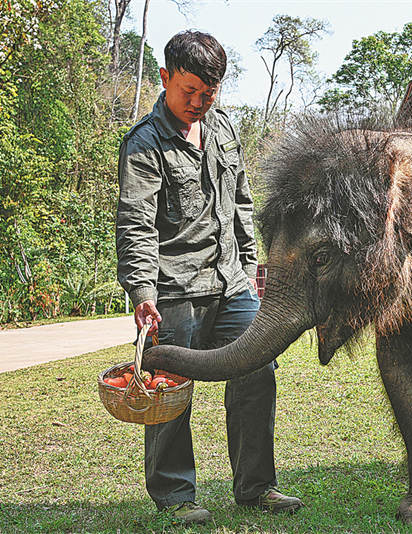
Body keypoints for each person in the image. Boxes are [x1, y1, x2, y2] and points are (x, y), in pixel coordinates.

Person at [115, 30, 302, 525]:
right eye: (189, 91)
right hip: (173, 289)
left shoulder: (222, 126)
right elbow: (136, 223)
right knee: (170, 390)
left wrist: (251, 266)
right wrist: (142, 291)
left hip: (232, 282)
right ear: (165, 78)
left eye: (209, 92)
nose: (199, 102)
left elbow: (240, 202)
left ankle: (257, 488)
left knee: (257, 373)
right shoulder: (144, 143)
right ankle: (176, 497)